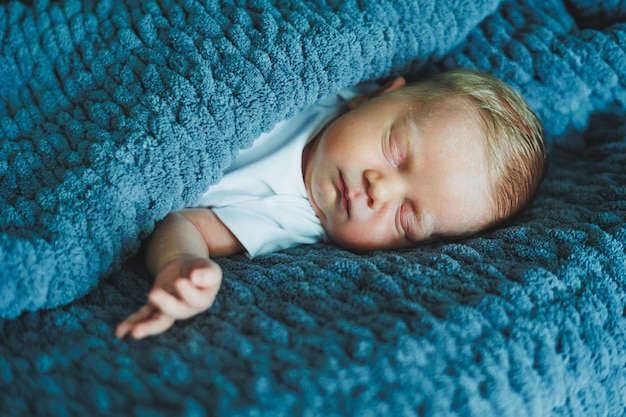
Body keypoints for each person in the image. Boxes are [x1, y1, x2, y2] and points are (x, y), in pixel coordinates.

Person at [116, 69, 547, 339]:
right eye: (395, 151)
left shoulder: (295, 219)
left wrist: (181, 263)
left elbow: (188, 225)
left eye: (405, 218)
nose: (381, 190)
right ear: (376, 95)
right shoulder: (316, 76)